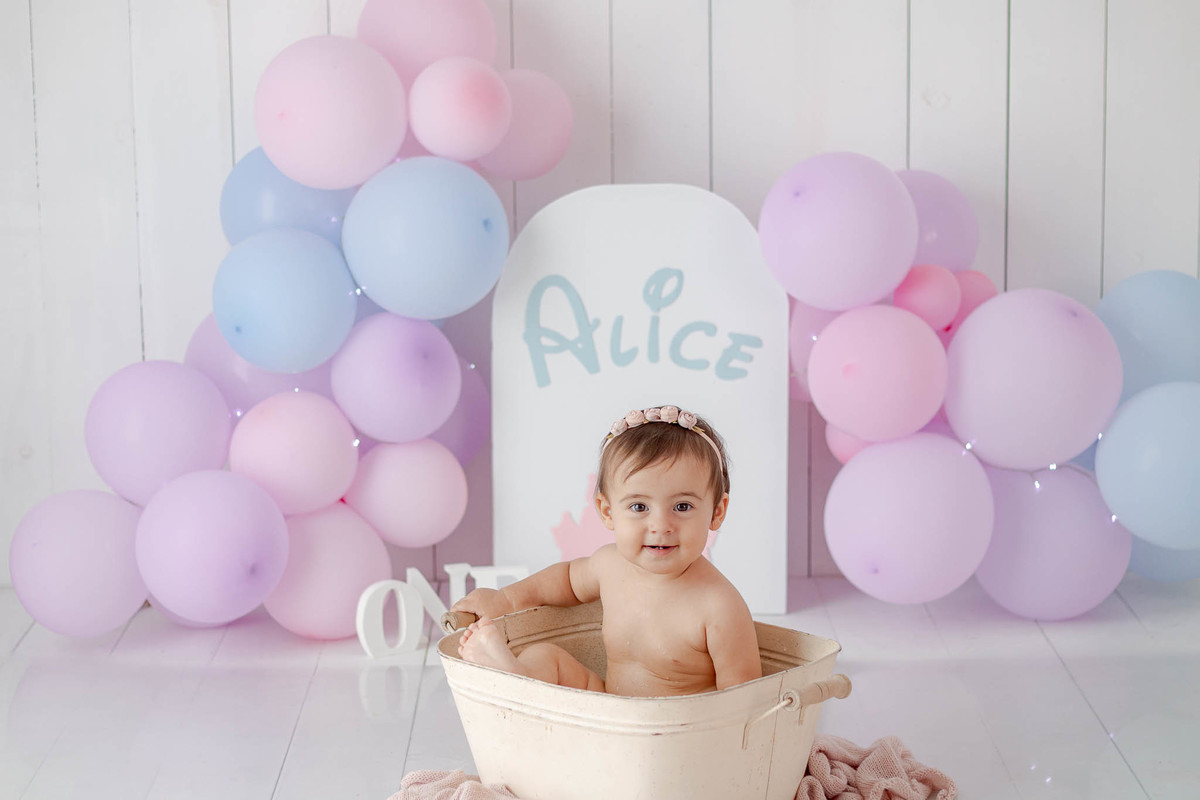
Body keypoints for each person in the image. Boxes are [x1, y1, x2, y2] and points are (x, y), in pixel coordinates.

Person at [451, 405, 762, 697]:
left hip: (677, 728)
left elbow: (743, 699)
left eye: (682, 506)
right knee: (546, 655)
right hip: (606, 710)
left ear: (716, 512)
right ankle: (516, 676)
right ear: (608, 511)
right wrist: (506, 599)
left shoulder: (720, 606)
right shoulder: (610, 564)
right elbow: (565, 581)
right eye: (639, 506)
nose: (660, 525)